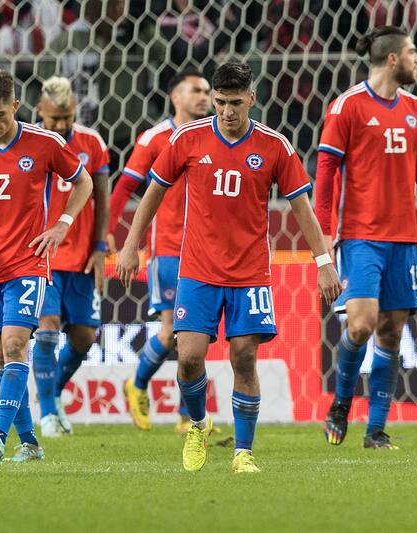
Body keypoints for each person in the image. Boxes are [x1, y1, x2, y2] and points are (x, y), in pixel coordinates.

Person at [117, 62, 342, 473]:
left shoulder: (275, 145)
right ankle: (199, 426)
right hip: (197, 270)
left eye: (235, 103)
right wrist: (131, 245)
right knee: (188, 357)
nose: (226, 112)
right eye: (219, 103)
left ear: (252, 99)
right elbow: (152, 192)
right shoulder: (186, 138)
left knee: (243, 358)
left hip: (250, 273)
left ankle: (243, 453)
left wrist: (324, 262)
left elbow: (302, 208)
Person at [316, 26, 417, 450]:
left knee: (392, 334)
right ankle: (341, 402)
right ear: (393, 59)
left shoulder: (416, 109)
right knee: (360, 325)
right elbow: (325, 177)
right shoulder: (347, 108)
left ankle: (375, 430)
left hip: (404, 241)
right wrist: (324, 238)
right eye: (413, 52)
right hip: (360, 238)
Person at [0, 69, 92, 462]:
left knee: (14, 344)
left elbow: (85, 182)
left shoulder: (44, 143)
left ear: (16, 106)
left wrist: (63, 223)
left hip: (28, 262)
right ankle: (30, 443)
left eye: (0, 115)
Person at [107, 70, 210, 433]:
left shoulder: (212, 135)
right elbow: (125, 187)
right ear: (175, 97)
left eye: (207, 91)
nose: (204, 97)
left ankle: (187, 417)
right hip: (167, 248)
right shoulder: (155, 137)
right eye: (195, 91)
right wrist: (110, 234)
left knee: (196, 335)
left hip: (206, 251)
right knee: (173, 334)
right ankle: (137, 385)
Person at [31, 76, 110, 438]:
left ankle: (52, 392)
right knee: (46, 330)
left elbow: (102, 199)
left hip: (81, 256)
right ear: (39, 112)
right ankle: (47, 413)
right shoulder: (29, 142)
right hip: (41, 254)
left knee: (84, 337)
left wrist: (99, 248)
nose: (60, 126)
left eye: (66, 118)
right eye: (53, 119)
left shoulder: (92, 143)